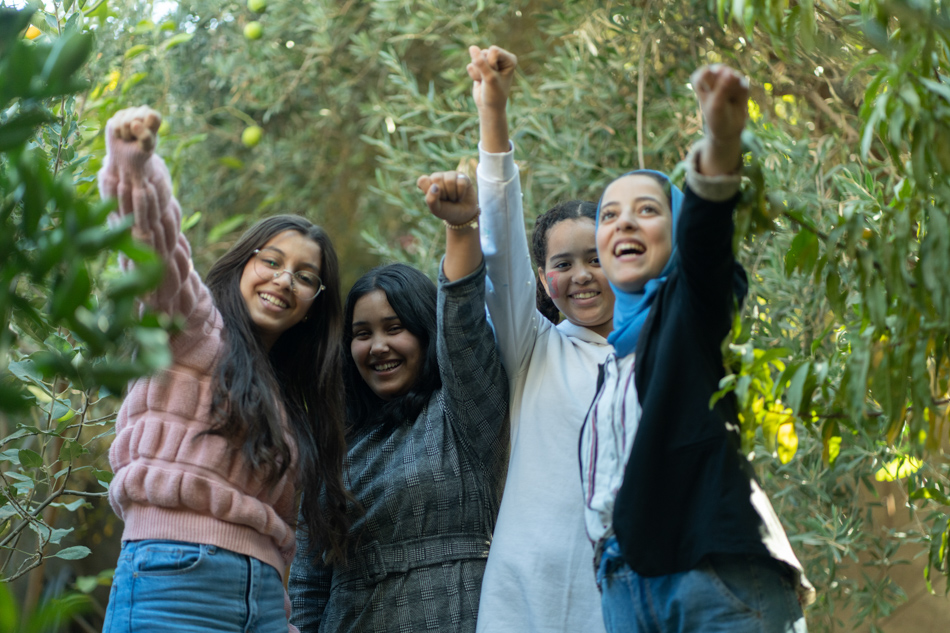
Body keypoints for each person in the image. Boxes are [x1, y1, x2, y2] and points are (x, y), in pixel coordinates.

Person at [579, 65, 816, 632]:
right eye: (608, 216)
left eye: (648, 209)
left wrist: (720, 146)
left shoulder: (689, 314)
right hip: (627, 587)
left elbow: (708, 244)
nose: (624, 223)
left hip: (710, 574)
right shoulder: (609, 362)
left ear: (676, 228)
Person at [98, 107, 351, 633]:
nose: (285, 281)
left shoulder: (288, 401)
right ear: (243, 262)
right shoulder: (192, 328)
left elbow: (274, 527)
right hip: (176, 581)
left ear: (314, 304)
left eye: (305, 277)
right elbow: (155, 253)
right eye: (273, 261)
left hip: (262, 601)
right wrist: (135, 166)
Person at [288, 170, 509, 632]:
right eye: (362, 334)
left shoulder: (460, 414)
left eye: (395, 328)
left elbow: (464, 325)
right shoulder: (333, 442)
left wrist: (460, 227)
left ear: (428, 334)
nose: (378, 347)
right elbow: (306, 584)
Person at [466, 45, 613, 633]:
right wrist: (493, 114)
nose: (580, 275)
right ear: (543, 281)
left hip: (621, 595)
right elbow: (499, 248)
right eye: (563, 263)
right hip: (525, 596)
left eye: (597, 258)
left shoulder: (655, 361)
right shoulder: (535, 350)